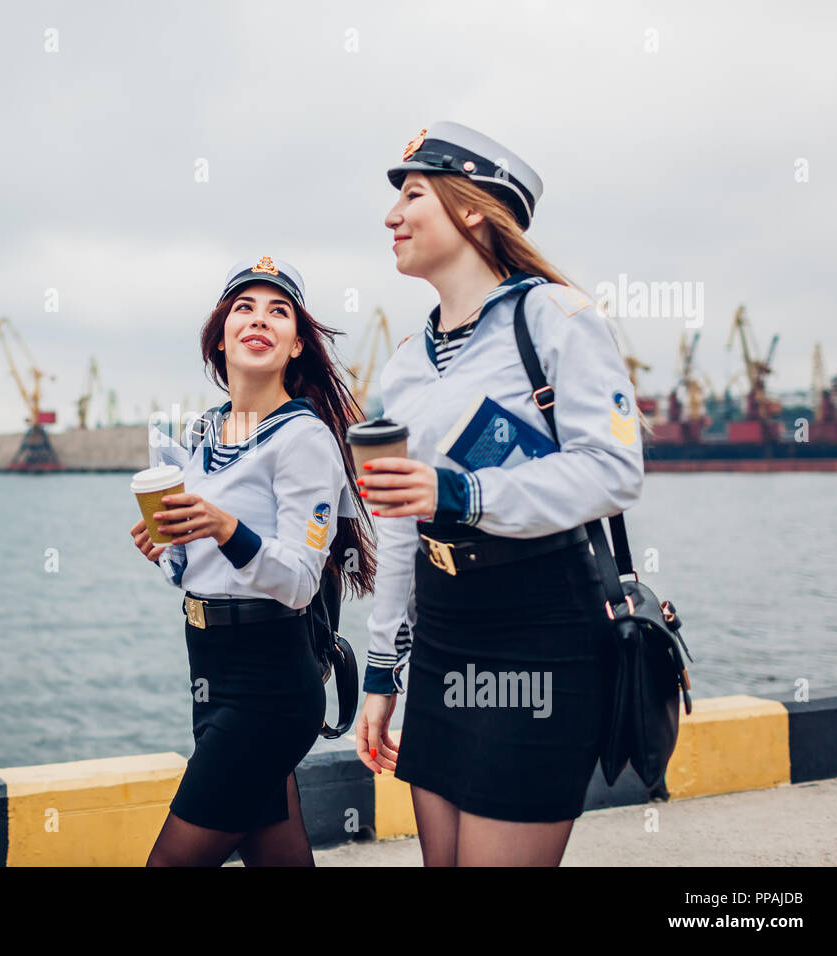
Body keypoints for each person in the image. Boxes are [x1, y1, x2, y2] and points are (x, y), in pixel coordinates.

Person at [355, 122, 644, 866]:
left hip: (540, 628)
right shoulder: (403, 366)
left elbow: (614, 471)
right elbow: (394, 525)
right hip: (447, 635)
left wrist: (459, 490)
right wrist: (383, 673)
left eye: (412, 194)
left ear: (473, 208)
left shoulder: (555, 317)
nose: (390, 216)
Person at [129, 255, 376, 866]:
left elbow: (296, 580)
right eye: (244, 307)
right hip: (210, 667)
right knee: (278, 858)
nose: (259, 319)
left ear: (296, 345)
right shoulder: (205, 434)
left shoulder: (305, 439)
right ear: (220, 336)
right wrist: (166, 548)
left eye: (279, 311)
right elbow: (199, 571)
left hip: (271, 682)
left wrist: (225, 526)